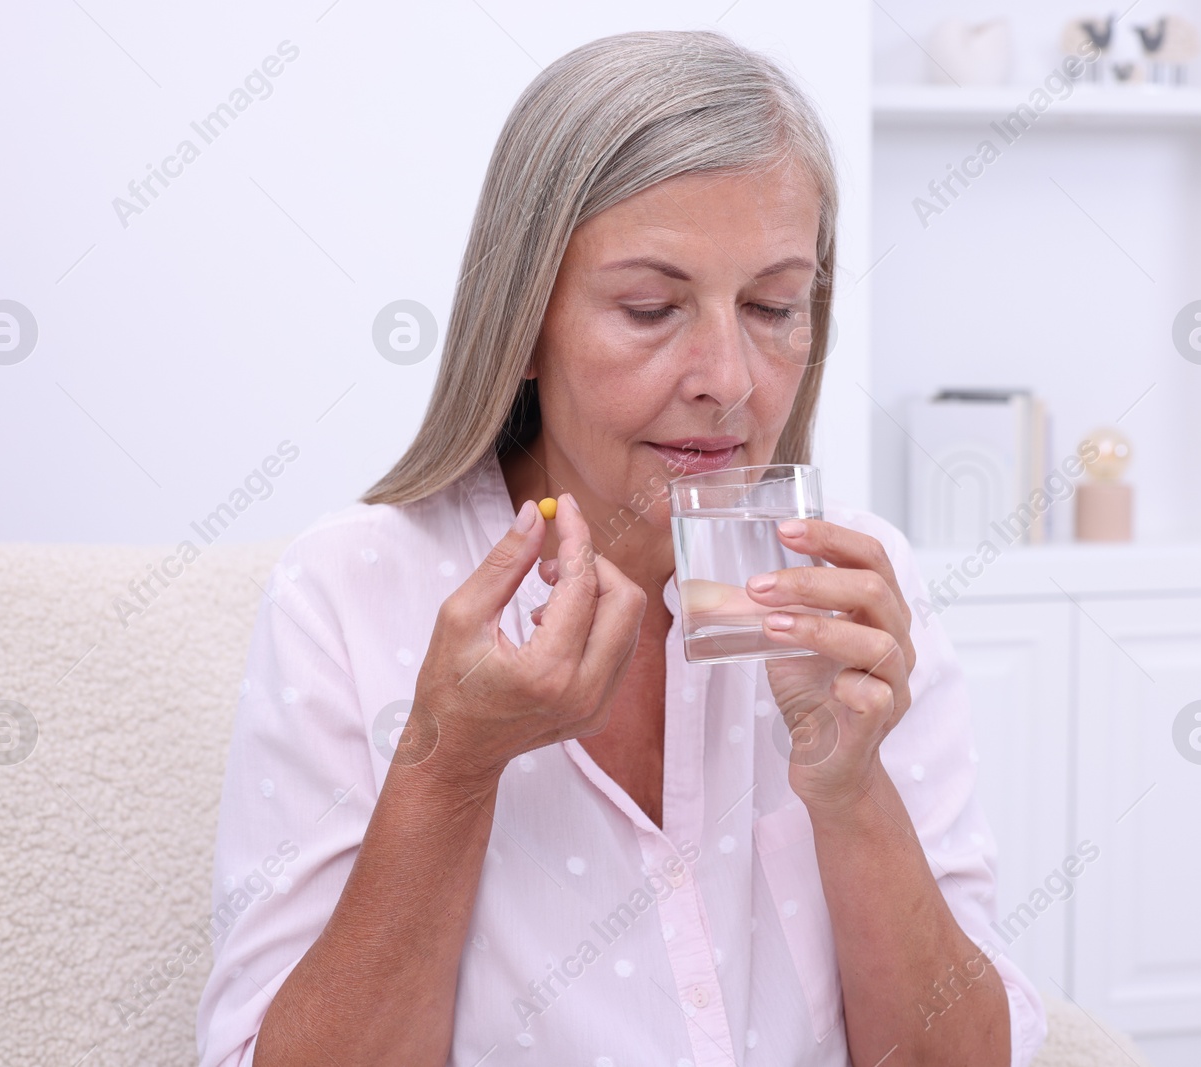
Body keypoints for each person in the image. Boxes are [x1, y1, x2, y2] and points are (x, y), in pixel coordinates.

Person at [196, 28, 1047, 1067]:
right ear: (520, 326)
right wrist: (450, 771)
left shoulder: (857, 594)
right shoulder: (348, 592)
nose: (728, 378)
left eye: (775, 305)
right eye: (651, 308)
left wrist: (851, 786)